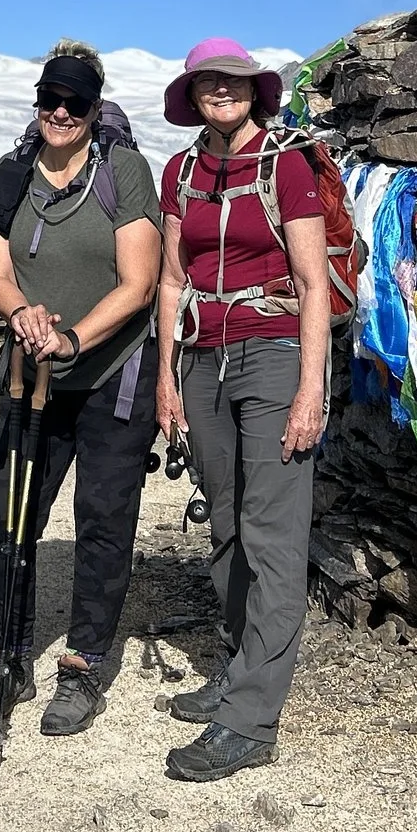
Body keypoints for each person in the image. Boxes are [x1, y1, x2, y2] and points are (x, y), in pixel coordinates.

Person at [0, 41, 161, 736]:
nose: (60, 111)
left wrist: (75, 335)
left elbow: (138, 283)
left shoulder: (124, 172)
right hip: (30, 373)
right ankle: (8, 651)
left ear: (93, 105)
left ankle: (81, 665)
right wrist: (20, 312)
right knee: (5, 515)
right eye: (50, 97)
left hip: (111, 376)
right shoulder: (12, 172)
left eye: (74, 101)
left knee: (103, 522)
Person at [153, 39, 330, 783]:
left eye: (230, 81)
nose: (219, 91)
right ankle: (235, 668)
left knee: (272, 534)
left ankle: (252, 717)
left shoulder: (286, 164)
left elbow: (313, 282)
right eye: (205, 83)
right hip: (200, 359)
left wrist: (311, 390)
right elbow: (169, 281)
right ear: (192, 96)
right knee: (225, 520)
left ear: (253, 90)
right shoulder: (181, 171)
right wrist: (165, 377)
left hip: (274, 354)